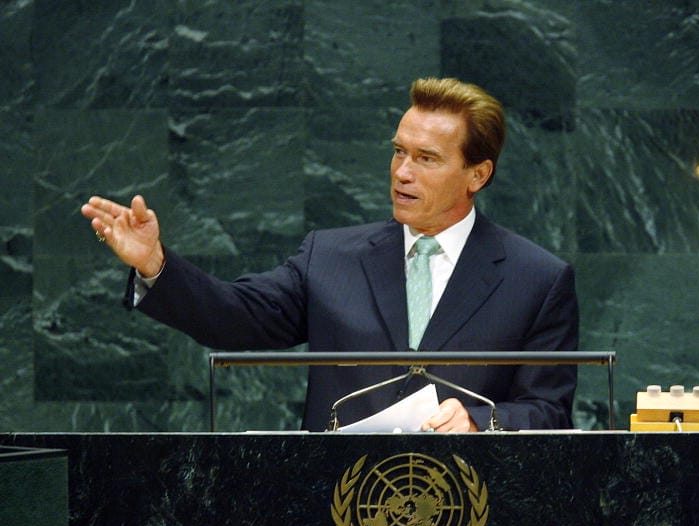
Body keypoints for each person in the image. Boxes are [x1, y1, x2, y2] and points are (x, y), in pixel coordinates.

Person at [81, 77, 579, 432]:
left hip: (467, 512)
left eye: (426, 158)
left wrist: (479, 419)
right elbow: (236, 318)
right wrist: (154, 264)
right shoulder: (332, 258)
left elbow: (549, 410)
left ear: (477, 174)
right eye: (398, 151)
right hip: (333, 510)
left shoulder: (536, 279)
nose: (402, 172)